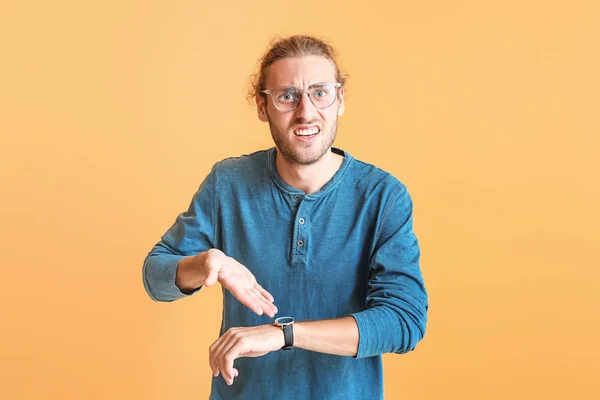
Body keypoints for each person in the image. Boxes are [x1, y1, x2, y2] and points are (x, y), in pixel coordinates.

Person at [142, 34, 429, 400]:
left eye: (320, 92)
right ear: (263, 107)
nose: (306, 111)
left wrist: (283, 334)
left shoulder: (383, 196)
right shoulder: (228, 183)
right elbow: (155, 276)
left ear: (340, 100)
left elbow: (404, 321)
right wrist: (206, 262)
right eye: (287, 95)